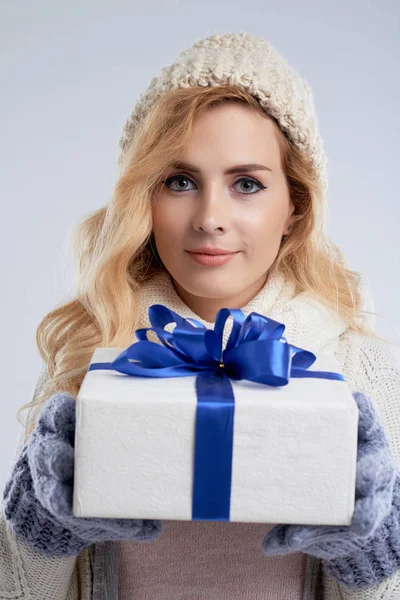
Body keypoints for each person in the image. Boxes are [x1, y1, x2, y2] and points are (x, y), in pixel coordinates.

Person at [1, 31, 400, 600]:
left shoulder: (367, 375)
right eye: (181, 181)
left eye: (247, 184)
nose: (211, 216)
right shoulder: (87, 360)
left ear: (294, 206)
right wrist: (39, 535)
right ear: (146, 197)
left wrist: (373, 556)